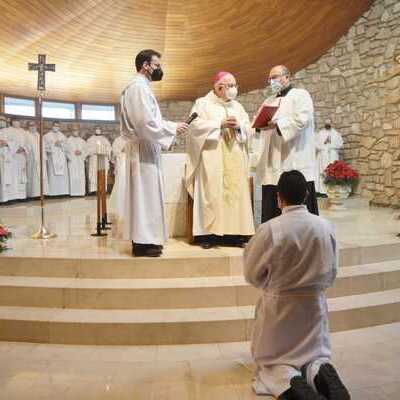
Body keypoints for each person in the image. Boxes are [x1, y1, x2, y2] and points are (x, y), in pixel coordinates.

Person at [244, 170, 350, 400]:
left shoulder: (270, 230)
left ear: (278, 197)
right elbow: (332, 271)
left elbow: (251, 273)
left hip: (280, 308)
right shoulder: (325, 226)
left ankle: (292, 385)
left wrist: (273, 287)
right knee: (314, 356)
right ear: (306, 194)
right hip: (313, 307)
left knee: (274, 364)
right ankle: (319, 371)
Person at [119, 49, 188, 257]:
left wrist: (172, 125)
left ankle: (146, 239)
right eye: (157, 65)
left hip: (145, 146)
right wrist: (170, 129)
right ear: (145, 65)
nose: (159, 69)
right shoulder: (138, 88)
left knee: (146, 196)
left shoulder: (141, 87)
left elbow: (151, 120)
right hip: (143, 148)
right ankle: (142, 242)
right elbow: (144, 123)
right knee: (144, 196)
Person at [185, 71, 255, 249]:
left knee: (235, 194)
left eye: (235, 85)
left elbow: (249, 128)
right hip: (212, 158)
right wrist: (219, 125)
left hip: (235, 155)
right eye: (230, 86)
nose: (234, 89)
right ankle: (209, 235)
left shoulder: (237, 107)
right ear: (218, 87)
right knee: (212, 194)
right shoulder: (202, 104)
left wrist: (239, 127)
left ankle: (236, 234)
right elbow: (194, 127)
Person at [255, 65, 318, 222]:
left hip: (293, 158)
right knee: (272, 204)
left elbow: (302, 119)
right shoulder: (269, 100)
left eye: (275, 76)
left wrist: (277, 123)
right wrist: (258, 125)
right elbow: (258, 123)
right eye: (270, 78)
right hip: (272, 162)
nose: (272, 81)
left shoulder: (300, 95)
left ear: (287, 77)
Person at [0, 119, 28, 202]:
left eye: (18, 121)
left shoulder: (24, 132)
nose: (17, 122)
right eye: (15, 121)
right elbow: (2, 142)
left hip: (21, 157)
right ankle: (9, 198)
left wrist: (23, 148)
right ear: (11, 122)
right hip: (9, 157)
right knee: (10, 177)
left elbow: (28, 144)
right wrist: (15, 148)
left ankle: (21, 196)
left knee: (20, 177)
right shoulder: (5, 130)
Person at [315, 121, 344, 196]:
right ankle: (322, 191)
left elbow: (340, 144)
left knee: (333, 171)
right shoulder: (320, 133)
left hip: (332, 155)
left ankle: (332, 190)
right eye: (326, 123)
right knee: (322, 172)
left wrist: (331, 143)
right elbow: (316, 144)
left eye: (329, 123)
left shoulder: (336, 133)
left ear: (331, 124)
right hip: (322, 156)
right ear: (325, 125)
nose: (328, 124)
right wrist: (324, 142)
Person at [44, 121, 70, 197]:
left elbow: (67, 147)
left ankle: (63, 192)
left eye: (58, 126)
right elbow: (44, 147)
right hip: (52, 158)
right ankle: (53, 193)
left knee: (63, 175)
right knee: (52, 175)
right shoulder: (46, 136)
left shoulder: (63, 136)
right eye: (55, 126)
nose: (56, 127)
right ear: (52, 126)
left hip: (61, 158)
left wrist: (61, 144)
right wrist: (53, 145)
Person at [25, 121, 48, 198]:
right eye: (30, 125)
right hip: (32, 158)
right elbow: (26, 146)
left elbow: (43, 146)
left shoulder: (38, 135)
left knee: (42, 176)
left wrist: (44, 157)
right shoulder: (26, 134)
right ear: (28, 126)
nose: (32, 127)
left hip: (40, 159)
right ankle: (33, 194)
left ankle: (42, 193)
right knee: (33, 176)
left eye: (34, 125)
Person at [86, 126, 112, 194]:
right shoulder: (90, 139)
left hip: (103, 158)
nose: (98, 130)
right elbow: (87, 149)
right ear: (94, 130)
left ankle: (102, 189)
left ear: (101, 130)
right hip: (94, 158)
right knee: (93, 173)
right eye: (97, 129)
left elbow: (109, 148)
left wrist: (103, 150)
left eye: (99, 129)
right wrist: (95, 149)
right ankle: (94, 190)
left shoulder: (105, 139)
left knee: (102, 173)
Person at [109, 134, 127, 217]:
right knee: (120, 181)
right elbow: (115, 152)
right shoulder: (117, 140)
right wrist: (122, 151)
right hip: (121, 161)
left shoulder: (132, 138)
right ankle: (120, 200)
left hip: (130, 161)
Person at [67, 127, 87, 197]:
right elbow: (66, 150)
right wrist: (73, 153)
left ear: (79, 131)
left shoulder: (82, 141)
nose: (75, 131)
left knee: (81, 176)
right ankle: (73, 193)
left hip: (80, 161)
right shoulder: (68, 140)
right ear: (72, 131)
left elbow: (86, 150)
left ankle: (81, 192)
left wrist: (81, 152)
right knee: (73, 176)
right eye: (74, 130)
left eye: (77, 130)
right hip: (72, 161)